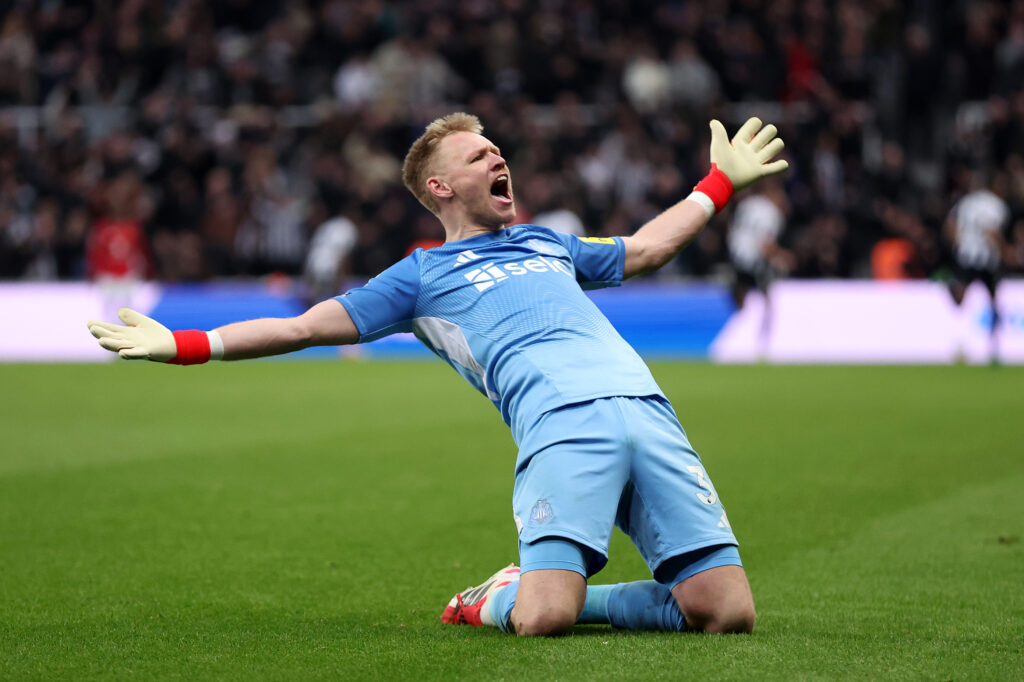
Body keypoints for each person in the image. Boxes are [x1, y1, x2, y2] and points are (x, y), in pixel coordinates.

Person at [88, 113, 787, 636]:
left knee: (726, 613)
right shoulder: (419, 276)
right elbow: (302, 327)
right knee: (544, 620)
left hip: (649, 410)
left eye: (497, 148)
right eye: (480, 153)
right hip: (561, 427)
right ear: (441, 185)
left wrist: (718, 183)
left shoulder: (548, 243)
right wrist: (186, 343)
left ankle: (577, 589)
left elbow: (646, 249)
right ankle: (507, 593)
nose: (498, 155)